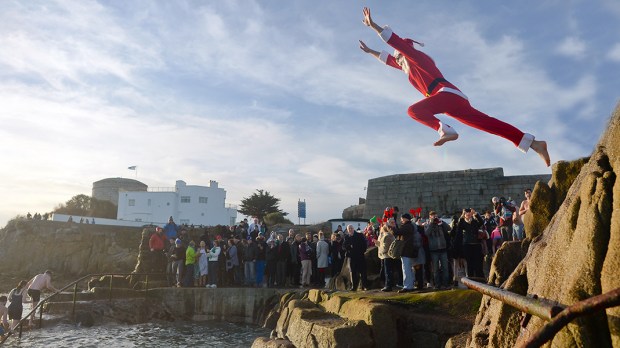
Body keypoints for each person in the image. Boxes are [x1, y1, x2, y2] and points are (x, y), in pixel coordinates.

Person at [358, 7, 550, 167]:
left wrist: (373, 25)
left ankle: (444, 129)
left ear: (404, 54)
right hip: (452, 101)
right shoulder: (408, 68)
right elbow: (388, 60)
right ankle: (533, 143)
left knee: (413, 111)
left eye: (399, 57)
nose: (397, 60)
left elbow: (395, 42)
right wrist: (369, 51)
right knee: (488, 124)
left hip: (446, 94)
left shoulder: (416, 58)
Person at [394, 214, 421, 293]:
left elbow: (398, 232)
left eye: (402, 219)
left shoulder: (407, 226)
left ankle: (407, 286)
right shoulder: (410, 226)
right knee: (409, 269)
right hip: (409, 250)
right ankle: (410, 285)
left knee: (406, 269)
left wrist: (390, 227)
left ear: (405, 219)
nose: (401, 220)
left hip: (406, 250)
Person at [425, 211, 451, 289]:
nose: (435, 217)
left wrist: (442, 222)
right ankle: (437, 285)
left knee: (445, 268)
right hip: (434, 250)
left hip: (443, 249)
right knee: (435, 269)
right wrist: (432, 223)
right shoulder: (427, 224)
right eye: (433, 216)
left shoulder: (440, 223)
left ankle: (446, 284)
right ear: (430, 217)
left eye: (435, 216)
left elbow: (449, 228)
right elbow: (427, 233)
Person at [458, 208, 485, 279]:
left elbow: (482, 222)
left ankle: (480, 278)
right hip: (467, 245)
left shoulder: (474, 222)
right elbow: (459, 226)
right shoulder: (463, 223)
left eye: (469, 214)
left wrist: (475, 214)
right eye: (467, 214)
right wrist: (462, 216)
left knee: (478, 263)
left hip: (476, 244)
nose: (468, 215)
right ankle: (471, 279)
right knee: (469, 264)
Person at [343, 224, 369, 291]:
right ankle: (354, 287)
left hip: (360, 256)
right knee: (353, 272)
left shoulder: (359, 235)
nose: (350, 230)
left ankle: (365, 286)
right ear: (348, 230)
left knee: (363, 272)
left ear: (353, 228)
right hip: (352, 257)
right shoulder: (346, 237)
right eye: (349, 229)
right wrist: (349, 247)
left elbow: (364, 244)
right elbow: (344, 246)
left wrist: (362, 251)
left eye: (351, 228)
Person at [375, 218, 397, 292]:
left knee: (388, 271)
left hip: (387, 255)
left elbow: (386, 246)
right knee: (387, 271)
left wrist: (379, 245)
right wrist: (377, 243)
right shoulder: (385, 235)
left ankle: (388, 286)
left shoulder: (388, 235)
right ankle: (387, 285)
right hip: (385, 255)